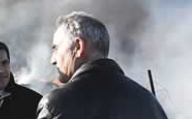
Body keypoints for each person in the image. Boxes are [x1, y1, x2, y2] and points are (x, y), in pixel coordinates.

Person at [36, 11, 169, 119]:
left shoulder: (57, 104)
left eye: (56, 48)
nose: (52, 60)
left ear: (78, 47)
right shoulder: (149, 102)